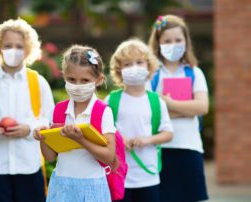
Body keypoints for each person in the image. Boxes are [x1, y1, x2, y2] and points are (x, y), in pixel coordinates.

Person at [0, 18, 54, 202]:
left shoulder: (38, 82)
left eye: (19, 46)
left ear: (28, 49)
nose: (13, 50)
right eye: (7, 45)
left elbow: (49, 119)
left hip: (29, 164)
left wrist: (29, 129)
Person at [34, 45, 116, 202]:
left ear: (98, 80)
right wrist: (43, 137)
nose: (77, 85)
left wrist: (80, 139)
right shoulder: (58, 111)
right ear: (64, 76)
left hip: (93, 186)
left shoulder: (102, 112)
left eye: (85, 80)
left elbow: (109, 157)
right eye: (72, 79)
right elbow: (50, 156)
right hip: (61, 186)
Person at [148, 15, 209, 202]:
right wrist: (186, 109)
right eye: (167, 41)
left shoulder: (194, 72)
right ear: (158, 43)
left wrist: (167, 103)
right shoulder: (151, 74)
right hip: (158, 150)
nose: (173, 44)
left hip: (189, 149)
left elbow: (202, 106)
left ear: (186, 42)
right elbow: (149, 112)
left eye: (177, 40)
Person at [105, 38, 173, 202]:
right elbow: (102, 132)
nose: (134, 67)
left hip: (148, 176)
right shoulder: (110, 101)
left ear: (149, 67)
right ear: (118, 70)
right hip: (119, 176)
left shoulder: (156, 101)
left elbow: (168, 133)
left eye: (139, 62)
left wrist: (148, 140)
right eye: (127, 64)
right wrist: (120, 140)